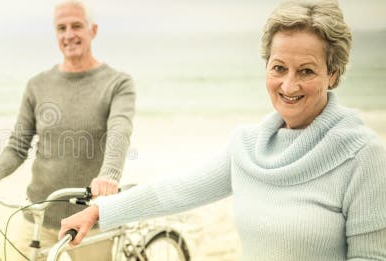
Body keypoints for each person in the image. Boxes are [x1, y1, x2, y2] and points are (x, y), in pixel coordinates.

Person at [58, 0, 386, 260]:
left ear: (333, 73)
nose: (289, 85)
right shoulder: (248, 146)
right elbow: (175, 190)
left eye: (307, 71)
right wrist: (100, 211)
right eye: (279, 68)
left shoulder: (362, 155)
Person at [0, 0, 135, 259]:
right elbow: (18, 144)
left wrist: (109, 176)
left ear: (93, 30)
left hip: (91, 217)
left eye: (76, 26)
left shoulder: (118, 83)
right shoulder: (37, 85)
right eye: (61, 28)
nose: (69, 35)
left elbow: (120, 131)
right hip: (39, 216)